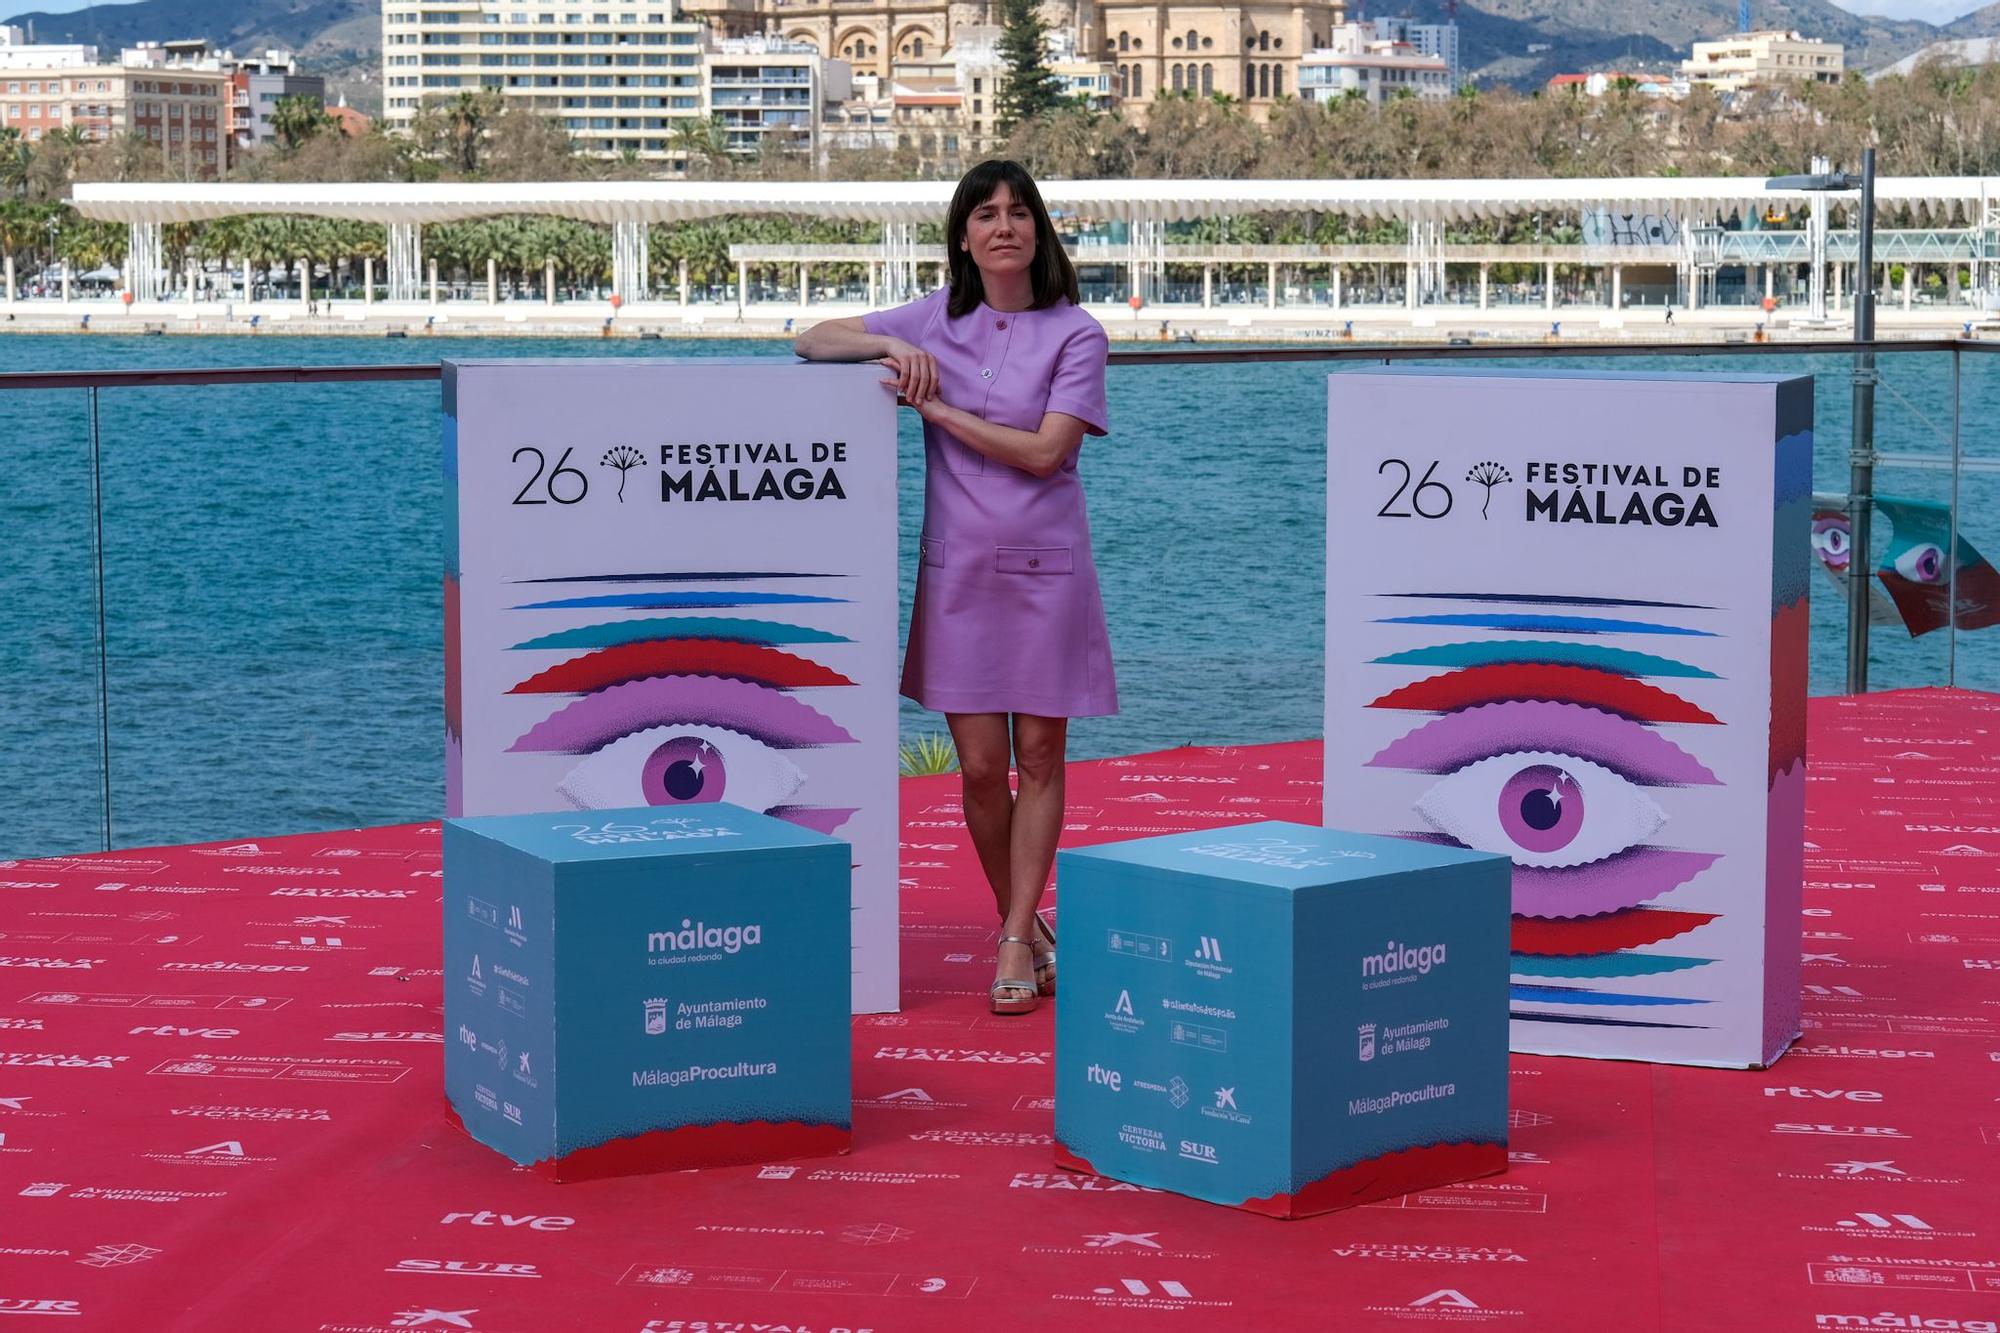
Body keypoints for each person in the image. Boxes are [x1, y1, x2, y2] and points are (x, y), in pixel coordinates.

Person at [794, 160, 1115, 1016]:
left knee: (1040, 757)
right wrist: (892, 345)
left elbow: (1048, 452)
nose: (1003, 226)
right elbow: (810, 338)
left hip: (1048, 574)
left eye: (1018, 213)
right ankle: (1030, 922)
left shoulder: (1078, 334)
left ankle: (1014, 932)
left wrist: (936, 413)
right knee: (979, 769)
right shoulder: (934, 320)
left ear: (1039, 233)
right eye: (985, 214)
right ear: (963, 235)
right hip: (960, 576)